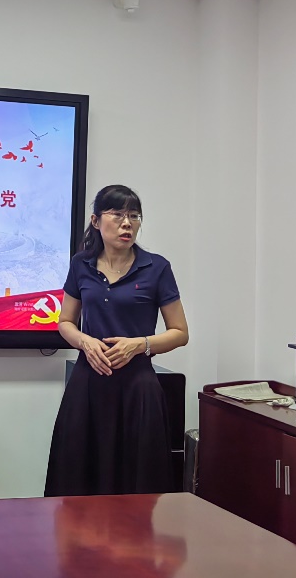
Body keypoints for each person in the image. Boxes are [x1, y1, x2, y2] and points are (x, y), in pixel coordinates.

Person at [45, 184, 189, 496]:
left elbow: (180, 332)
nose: (127, 224)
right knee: (78, 479)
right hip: (88, 383)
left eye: (134, 216)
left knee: (137, 485)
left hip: (137, 388)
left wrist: (140, 344)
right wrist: (85, 342)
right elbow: (65, 322)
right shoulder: (81, 264)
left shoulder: (157, 267)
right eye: (118, 215)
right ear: (96, 221)